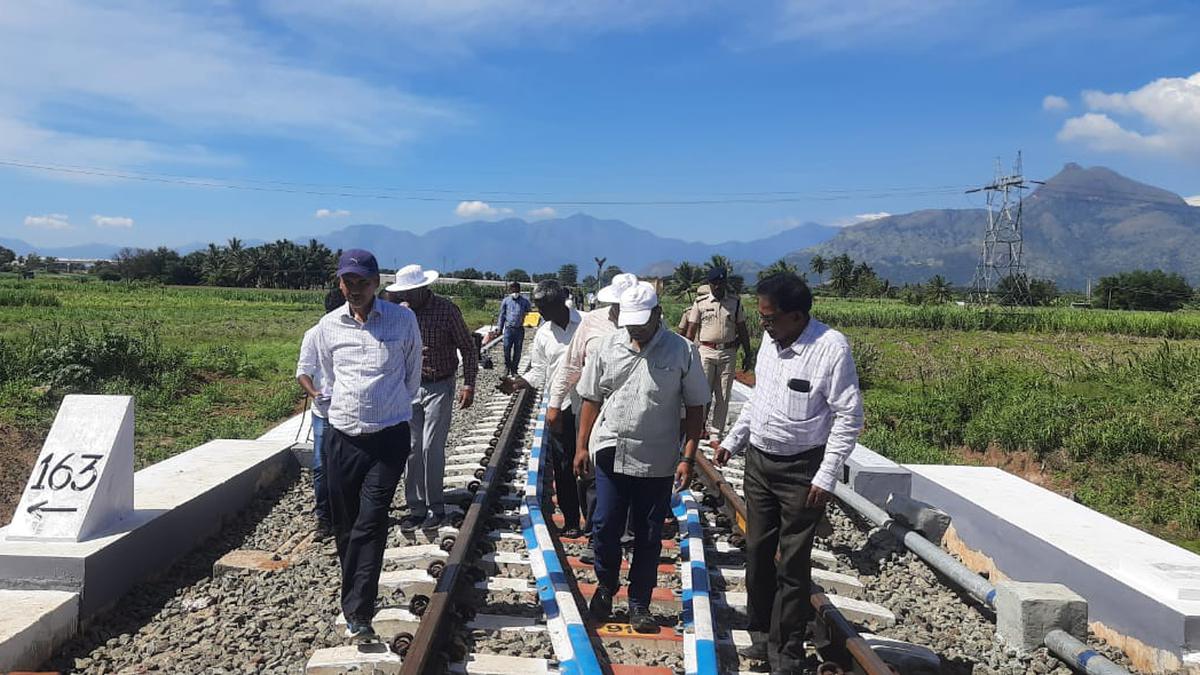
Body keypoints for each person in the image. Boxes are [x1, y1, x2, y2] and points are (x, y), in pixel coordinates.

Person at [712, 272, 863, 673]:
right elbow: (760, 399)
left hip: (802, 469)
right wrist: (733, 440)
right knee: (758, 550)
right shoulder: (770, 340)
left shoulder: (830, 348)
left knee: (793, 564)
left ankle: (787, 653)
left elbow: (848, 417)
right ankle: (760, 633)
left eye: (770, 318)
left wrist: (826, 475)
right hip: (760, 463)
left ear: (796, 316)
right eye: (762, 318)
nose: (764, 325)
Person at [575, 281, 710, 633]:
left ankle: (640, 603)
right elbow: (590, 398)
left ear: (657, 314)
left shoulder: (682, 351)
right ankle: (605, 587)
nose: (635, 328)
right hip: (610, 449)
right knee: (604, 526)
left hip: (657, 457)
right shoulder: (608, 346)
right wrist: (580, 446)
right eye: (629, 321)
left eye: (641, 321)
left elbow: (696, 407)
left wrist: (688, 457)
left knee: (648, 535)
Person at [315, 249, 422, 641]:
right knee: (346, 526)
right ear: (339, 283)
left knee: (371, 520)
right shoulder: (328, 326)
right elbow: (327, 378)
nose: (355, 290)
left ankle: (359, 609)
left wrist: (390, 407)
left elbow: (412, 377)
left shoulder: (402, 319)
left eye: (363, 282)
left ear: (377, 283)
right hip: (342, 438)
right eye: (348, 282)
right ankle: (355, 593)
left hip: (387, 439)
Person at [547, 272, 638, 550]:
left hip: (633, 409)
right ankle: (597, 532)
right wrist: (555, 402)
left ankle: (626, 532)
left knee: (630, 471)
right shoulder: (592, 322)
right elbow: (572, 364)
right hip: (590, 405)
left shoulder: (649, 324)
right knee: (589, 469)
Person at [385, 264, 479, 531]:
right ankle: (416, 507)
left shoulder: (446, 310)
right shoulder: (401, 314)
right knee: (412, 449)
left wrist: (469, 384)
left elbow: (468, 348)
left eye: (411, 291)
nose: (407, 296)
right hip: (409, 388)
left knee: (431, 446)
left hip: (440, 384)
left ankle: (436, 506)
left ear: (423, 288)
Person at [500, 280, 584, 535]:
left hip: (589, 404)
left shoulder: (587, 324)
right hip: (560, 406)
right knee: (563, 464)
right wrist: (516, 384)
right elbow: (539, 371)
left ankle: (594, 524)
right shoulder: (543, 333)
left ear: (560, 303)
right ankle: (571, 520)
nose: (540, 313)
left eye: (543, 307)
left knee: (590, 466)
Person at [294, 288, 346, 540]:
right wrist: (314, 392)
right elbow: (303, 371)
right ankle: (324, 519)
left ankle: (347, 514)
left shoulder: (359, 332)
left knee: (349, 464)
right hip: (324, 412)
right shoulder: (314, 334)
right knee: (322, 465)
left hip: (352, 412)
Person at [685, 268, 752, 435]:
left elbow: (742, 329)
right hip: (706, 351)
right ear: (710, 284)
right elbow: (691, 331)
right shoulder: (700, 303)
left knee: (723, 395)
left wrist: (748, 353)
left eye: (721, 282)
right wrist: (686, 354)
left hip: (728, 353)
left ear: (725, 283)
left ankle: (716, 432)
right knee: (703, 392)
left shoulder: (735, 303)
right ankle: (699, 428)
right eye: (714, 283)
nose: (717, 286)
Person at [497, 281, 532, 376]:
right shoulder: (506, 301)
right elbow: (502, 315)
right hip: (509, 328)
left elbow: (530, 312)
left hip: (519, 329)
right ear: (510, 290)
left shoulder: (525, 301)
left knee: (518, 350)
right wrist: (499, 328)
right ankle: (507, 367)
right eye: (513, 289)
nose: (515, 291)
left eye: (517, 289)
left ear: (519, 290)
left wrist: (528, 320)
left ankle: (514, 370)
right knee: (506, 348)